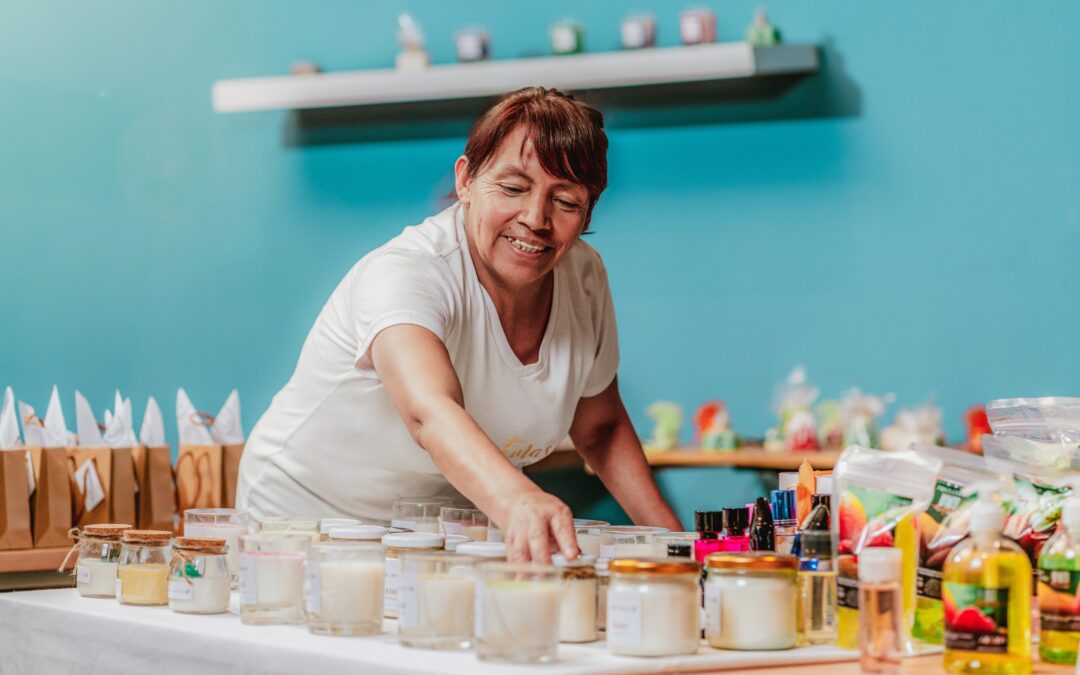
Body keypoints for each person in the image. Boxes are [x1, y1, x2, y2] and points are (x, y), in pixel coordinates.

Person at [237, 86, 681, 561]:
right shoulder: (408, 272)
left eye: (566, 201)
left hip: (441, 527)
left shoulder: (584, 276)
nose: (535, 219)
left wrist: (683, 551)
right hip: (305, 520)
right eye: (512, 188)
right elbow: (429, 411)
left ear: (588, 210)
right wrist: (520, 499)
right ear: (466, 180)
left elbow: (600, 428)